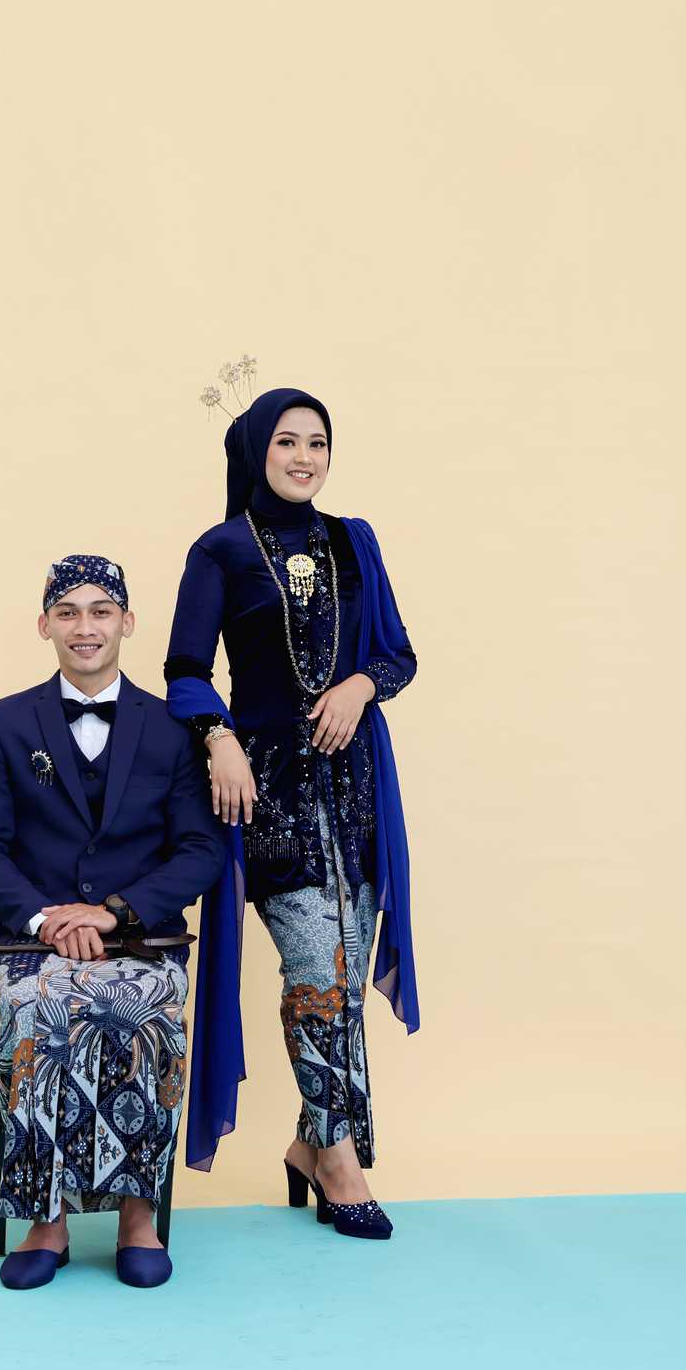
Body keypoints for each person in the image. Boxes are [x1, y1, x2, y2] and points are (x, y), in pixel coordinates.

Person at [164, 387, 420, 1240]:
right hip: (268, 791)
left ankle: (311, 1146)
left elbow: (398, 654)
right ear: (254, 451)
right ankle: (341, 1162)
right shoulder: (221, 550)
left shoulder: (354, 541)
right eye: (286, 442)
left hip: (355, 792)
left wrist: (360, 684)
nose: (305, 457)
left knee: (345, 975)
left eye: (318, 442)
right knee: (316, 968)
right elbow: (185, 670)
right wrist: (218, 739)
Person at [0, 553, 225, 1290]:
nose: (85, 626)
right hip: (31, 941)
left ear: (127, 623)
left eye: (101, 610)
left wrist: (111, 913)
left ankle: (139, 1214)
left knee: (142, 1009)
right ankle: (47, 1218)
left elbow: (201, 849)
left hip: (141, 936)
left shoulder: (171, 727)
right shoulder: (6, 722)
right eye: (67, 612)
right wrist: (47, 919)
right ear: (44, 624)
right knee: (36, 1007)